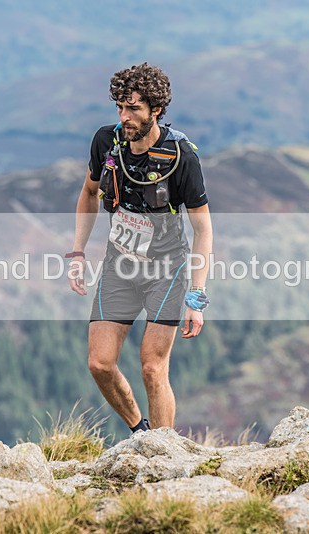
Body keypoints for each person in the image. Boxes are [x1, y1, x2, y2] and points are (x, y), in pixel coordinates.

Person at [67, 63, 213, 433]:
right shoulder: (106, 141)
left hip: (167, 270)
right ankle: (140, 431)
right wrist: (77, 253)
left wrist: (197, 296)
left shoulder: (181, 157)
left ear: (156, 110)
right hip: (120, 266)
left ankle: (165, 455)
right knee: (100, 364)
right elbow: (88, 192)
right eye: (120, 106)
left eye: (133, 109)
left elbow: (203, 229)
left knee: (152, 367)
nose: (124, 117)